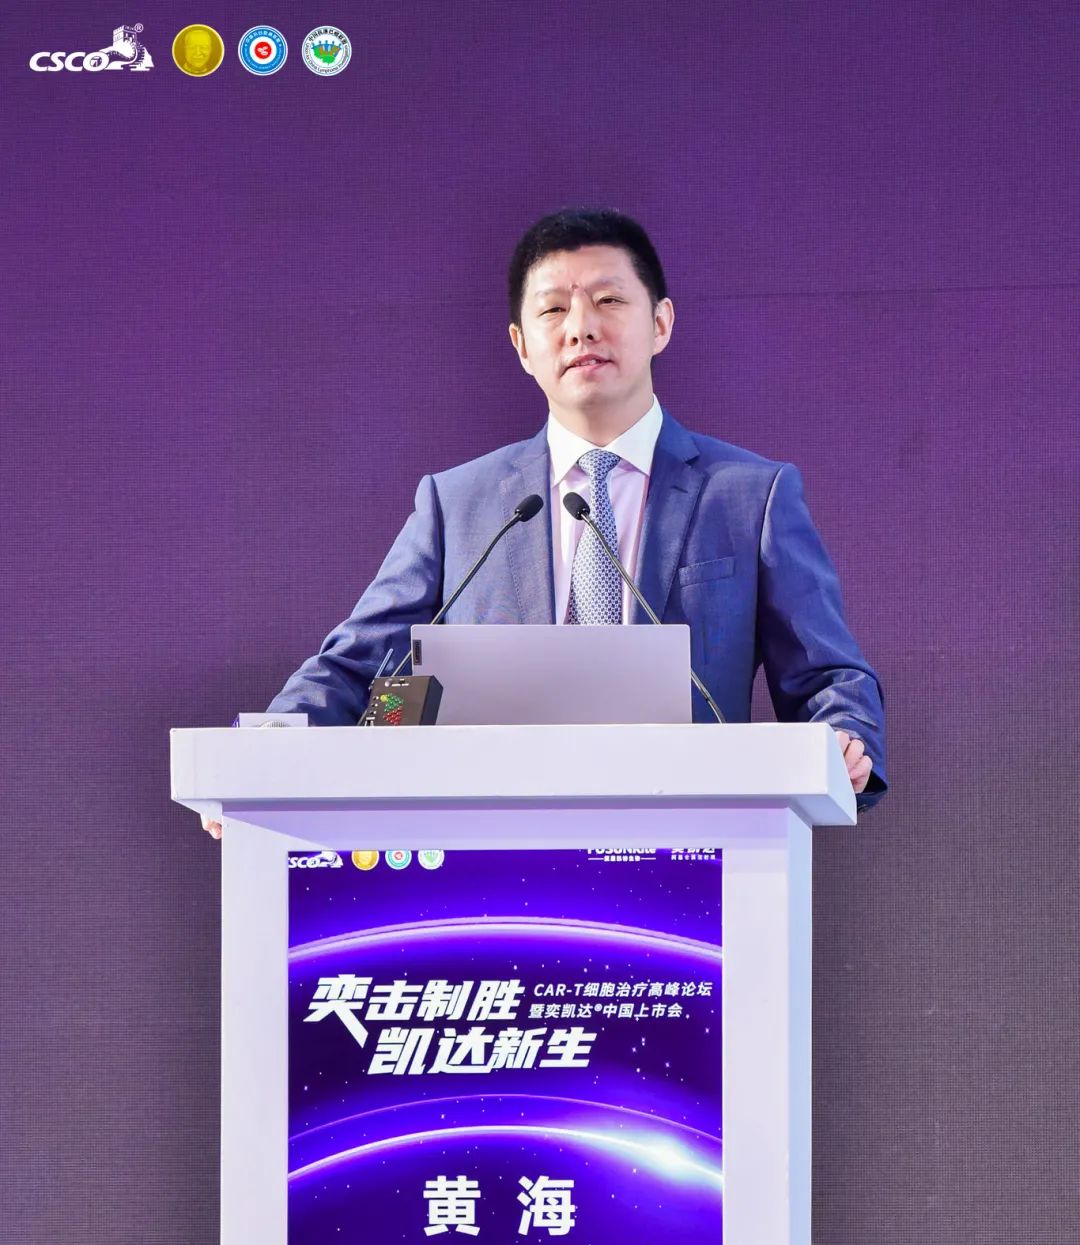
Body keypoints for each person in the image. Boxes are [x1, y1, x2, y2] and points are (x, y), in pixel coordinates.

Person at [203, 208, 885, 836]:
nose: (581, 327)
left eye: (609, 300)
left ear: (661, 323)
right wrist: (261, 758)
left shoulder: (749, 495)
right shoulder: (458, 504)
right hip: (495, 855)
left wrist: (845, 735)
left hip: (693, 851)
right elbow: (358, 665)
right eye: (554, 309)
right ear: (522, 345)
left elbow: (826, 674)